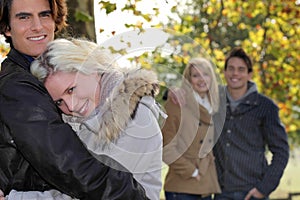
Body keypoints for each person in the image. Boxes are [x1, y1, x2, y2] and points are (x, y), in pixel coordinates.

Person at [0, 0, 148, 199]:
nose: (37, 26)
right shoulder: (18, 86)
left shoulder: (41, 75)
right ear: (7, 28)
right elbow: (66, 164)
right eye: (24, 17)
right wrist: (132, 194)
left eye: (44, 15)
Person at [168, 47, 289, 200]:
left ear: (249, 74)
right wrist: (172, 91)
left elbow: (281, 152)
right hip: (219, 192)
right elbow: (191, 93)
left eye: (241, 69)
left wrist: (264, 188)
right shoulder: (214, 100)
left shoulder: (265, 107)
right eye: (230, 69)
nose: (235, 74)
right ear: (224, 72)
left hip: (251, 192)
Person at [162, 58, 221, 200]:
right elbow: (166, 148)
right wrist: (192, 171)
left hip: (206, 185)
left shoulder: (215, 104)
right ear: (188, 79)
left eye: (206, 74)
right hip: (182, 186)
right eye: (196, 75)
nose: (201, 80)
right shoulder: (177, 103)